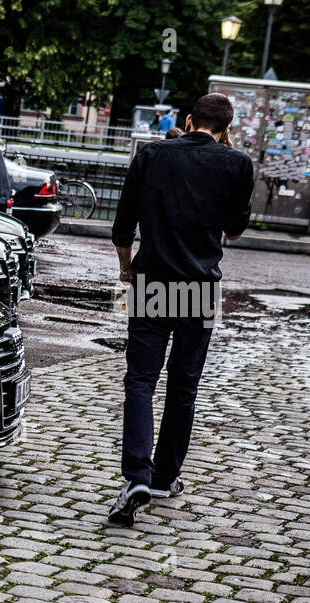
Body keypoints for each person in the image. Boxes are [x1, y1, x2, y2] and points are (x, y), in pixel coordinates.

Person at [108, 92, 254, 526]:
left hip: (151, 280)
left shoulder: (151, 153)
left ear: (189, 120)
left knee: (139, 380)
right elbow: (237, 229)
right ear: (226, 128)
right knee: (184, 384)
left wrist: (126, 269)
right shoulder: (237, 164)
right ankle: (164, 475)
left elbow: (122, 222)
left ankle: (135, 473)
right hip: (200, 285)